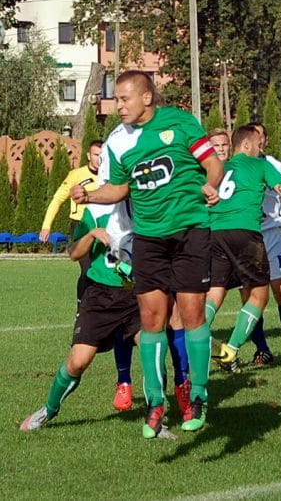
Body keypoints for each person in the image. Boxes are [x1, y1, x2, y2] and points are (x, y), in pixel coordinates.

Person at [71, 70, 223, 438]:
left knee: (190, 313)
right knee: (150, 319)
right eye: (116, 100)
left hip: (189, 232)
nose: (118, 106)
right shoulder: (119, 143)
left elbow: (213, 163)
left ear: (147, 97)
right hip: (149, 240)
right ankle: (155, 402)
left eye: (124, 99)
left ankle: (198, 395)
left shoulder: (181, 124)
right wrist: (89, 195)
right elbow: (120, 188)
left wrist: (211, 185)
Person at [20, 201, 140, 431]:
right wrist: (93, 234)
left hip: (137, 295)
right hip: (100, 295)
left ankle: (156, 418)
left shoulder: (145, 202)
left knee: (153, 349)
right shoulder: (95, 210)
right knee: (77, 362)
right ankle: (48, 410)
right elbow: (74, 253)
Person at [206, 125, 281, 368]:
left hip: (215, 233)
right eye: (258, 144)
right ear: (246, 145)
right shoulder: (261, 165)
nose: (261, 148)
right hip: (245, 233)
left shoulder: (220, 168)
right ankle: (231, 350)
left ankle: (197, 335)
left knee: (216, 291)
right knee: (259, 294)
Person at [243, 122, 281, 370]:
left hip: (270, 236)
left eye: (261, 136)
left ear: (265, 140)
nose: (258, 141)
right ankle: (262, 350)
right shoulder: (237, 167)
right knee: (249, 297)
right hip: (246, 237)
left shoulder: (275, 166)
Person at [40, 140, 101, 301]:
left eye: (102, 155)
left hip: (103, 228)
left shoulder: (110, 176)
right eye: (95, 154)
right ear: (89, 156)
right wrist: (46, 226)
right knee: (87, 270)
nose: (98, 158)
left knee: (105, 272)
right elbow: (58, 199)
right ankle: (81, 309)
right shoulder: (76, 175)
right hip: (81, 227)